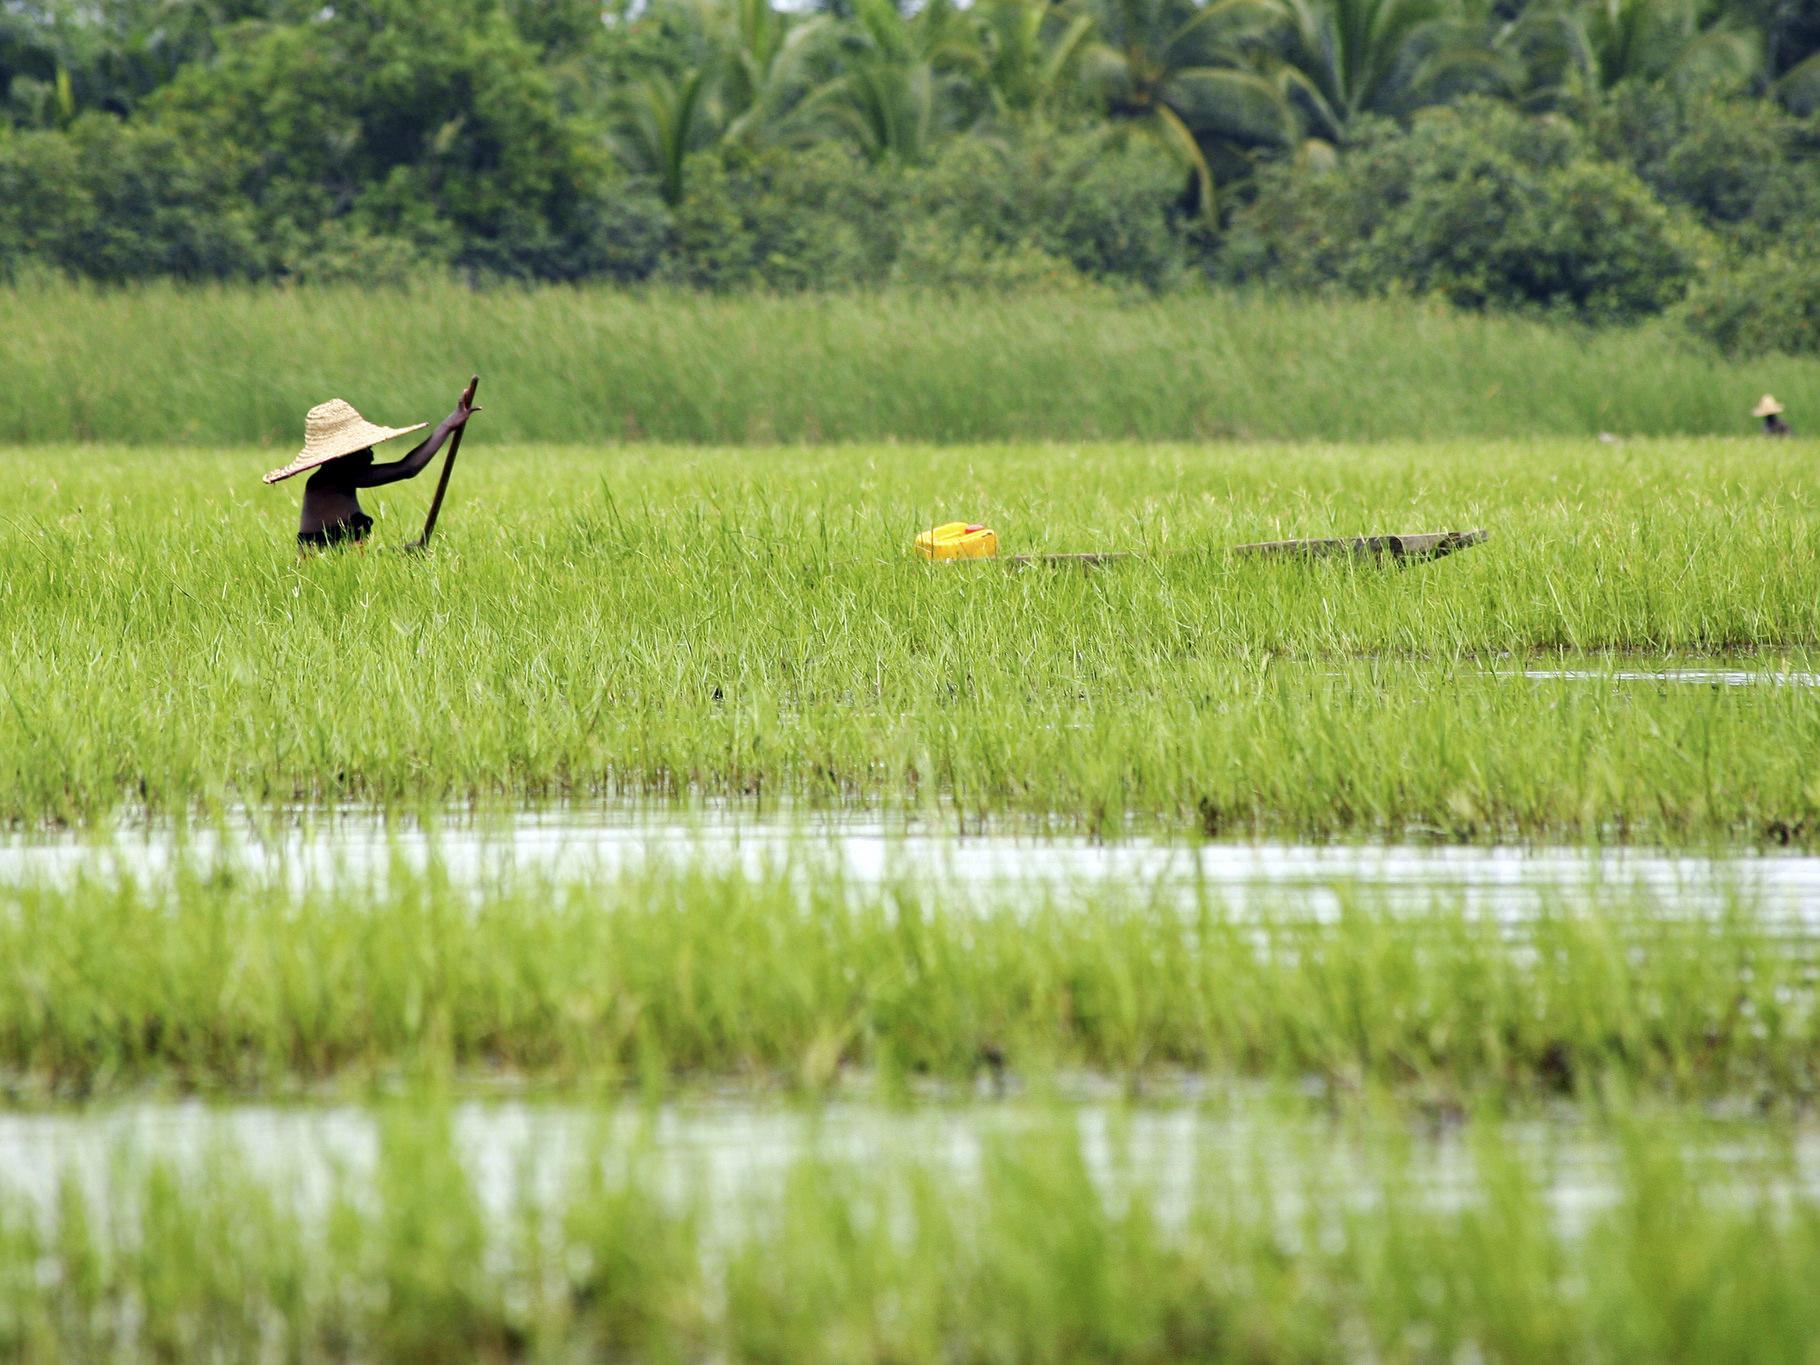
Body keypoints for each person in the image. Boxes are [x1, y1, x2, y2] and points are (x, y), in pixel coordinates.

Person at [264, 384, 482, 547]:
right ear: (339, 456)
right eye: (362, 448)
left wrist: (401, 552)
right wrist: (447, 425)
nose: (370, 452)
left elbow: (346, 558)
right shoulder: (336, 478)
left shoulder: (331, 479)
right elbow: (407, 468)